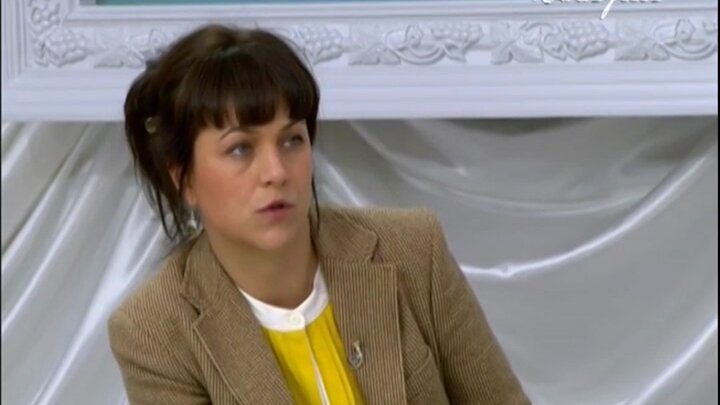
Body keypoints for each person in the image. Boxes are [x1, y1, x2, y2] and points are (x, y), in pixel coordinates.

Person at [108, 24, 529, 405]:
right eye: (241, 149)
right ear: (184, 180)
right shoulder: (154, 330)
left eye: (291, 140)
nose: (276, 172)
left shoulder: (414, 249)